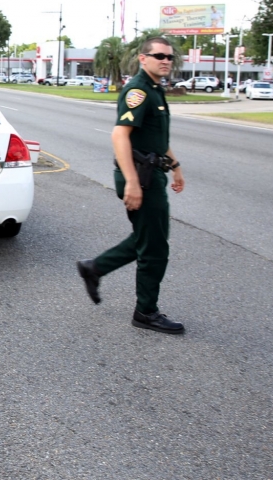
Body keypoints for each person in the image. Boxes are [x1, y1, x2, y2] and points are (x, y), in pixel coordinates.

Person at [76, 36, 187, 334]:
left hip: (152, 174)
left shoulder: (154, 89)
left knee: (147, 238)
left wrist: (175, 167)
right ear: (143, 58)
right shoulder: (138, 90)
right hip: (140, 177)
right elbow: (119, 136)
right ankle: (146, 312)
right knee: (155, 247)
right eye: (159, 56)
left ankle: (94, 268)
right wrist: (133, 184)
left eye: (169, 57)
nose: (165, 61)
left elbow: (157, 140)